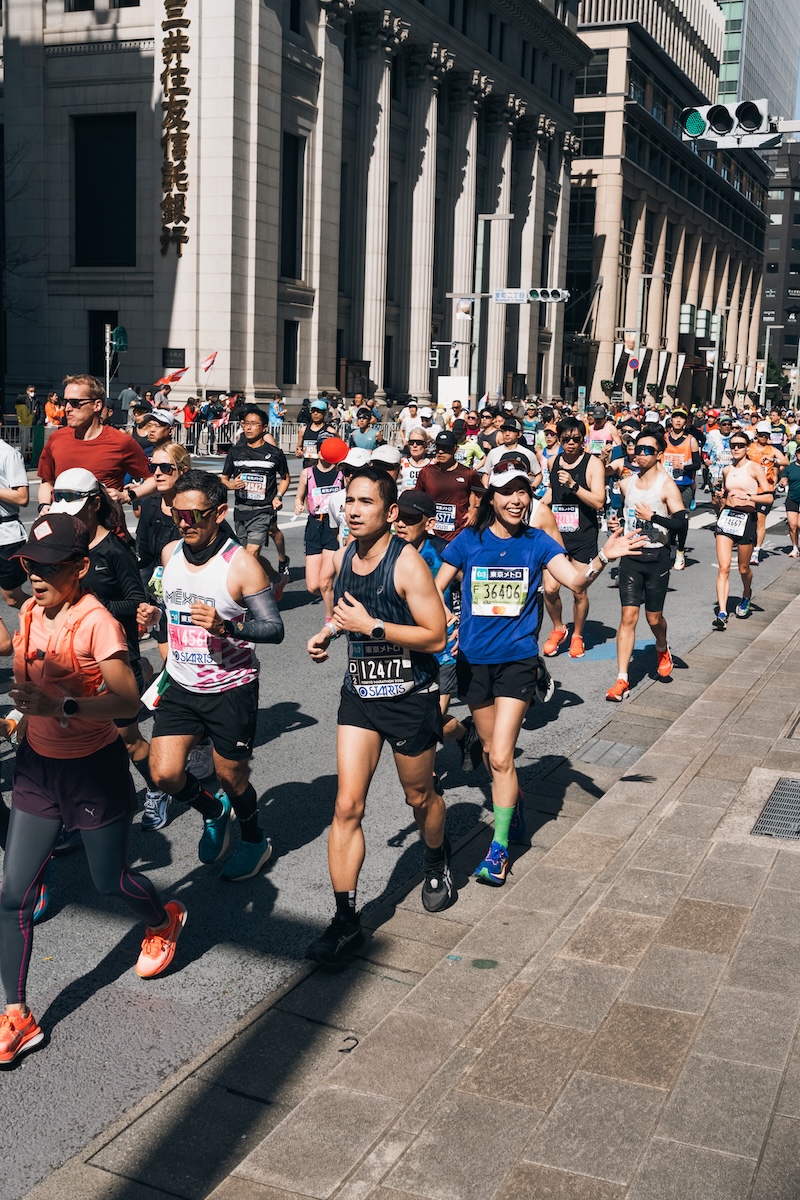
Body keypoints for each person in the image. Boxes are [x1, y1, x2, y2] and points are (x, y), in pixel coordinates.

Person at [0, 514, 187, 1064]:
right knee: (12, 895)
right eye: (31, 565)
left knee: (109, 881)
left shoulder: (97, 622)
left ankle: (163, 919)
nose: (36, 575)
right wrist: (22, 718)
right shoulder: (31, 611)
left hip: (92, 768)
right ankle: (16, 1014)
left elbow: (129, 704)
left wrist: (62, 707)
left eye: (51, 567)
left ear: (79, 568)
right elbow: (33, 685)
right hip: (37, 769)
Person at [435, 463, 643, 886]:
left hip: (517, 663)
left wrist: (603, 556)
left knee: (499, 756)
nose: (516, 499)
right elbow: (434, 587)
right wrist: (446, 623)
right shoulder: (467, 542)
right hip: (473, 664)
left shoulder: (537, 543)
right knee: (496, 754)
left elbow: (576, 580)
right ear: (490, 497)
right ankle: (518, 802)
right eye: (507, 492)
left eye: (523, 492)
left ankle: (498, 851)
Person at [305, 467, 450, 967]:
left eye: (366, 502)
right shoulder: (347, 555)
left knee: (420, 795)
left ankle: (435, 858)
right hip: (361, 696)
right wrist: (329, 631)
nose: (353, 509)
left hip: (411, 697)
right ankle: (346, 920)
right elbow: (347, 610)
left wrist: (374, 626)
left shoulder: (406, 564)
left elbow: (436, 636)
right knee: (347, 806)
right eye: (349, 500)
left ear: (390, 513)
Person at [141, 470, 284, 881]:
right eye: (177, 513)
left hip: (230, 688)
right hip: (182, 684)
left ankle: (254, 840)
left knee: (231, 775)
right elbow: (168, 607)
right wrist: (153, 618)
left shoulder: (241, 566)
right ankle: (213, 809)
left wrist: (227, 627)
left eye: (194, 515)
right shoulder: (170, 554)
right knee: (164, 773)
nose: (183, 521)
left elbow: (274, 629)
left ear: (220, 512)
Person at [48, 470, 173, 832]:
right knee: (74, 742)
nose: (67, 514)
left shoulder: (115, 551)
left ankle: (157, 788)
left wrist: (90, 606)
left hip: (114, 658)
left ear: (96, 504)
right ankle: (76, 818)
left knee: (128, 739)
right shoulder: (64, 546)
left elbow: (138, 603)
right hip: (71, 661)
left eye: (74, 507)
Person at [394, 489, 483, 771]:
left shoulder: (445, 551)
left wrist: (463, 626)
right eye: (398, 516)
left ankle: (429, 779)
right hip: (405, 645)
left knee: (431, 720)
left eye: (410, 518)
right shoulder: (388, 550)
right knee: (413, 718)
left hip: (442, 648)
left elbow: (473, 590)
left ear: (429, 523)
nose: (400, 524)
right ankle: (465, 733)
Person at [605, 426, 688, 701]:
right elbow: (623, 514)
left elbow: (680, 522)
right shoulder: (627, 483)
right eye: (637, 449)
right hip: (631, 557)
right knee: (628, 617)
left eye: (647, 450)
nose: (640, 454)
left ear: (659, 455)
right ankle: (621, 679)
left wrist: (654, 517)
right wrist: (615, 522)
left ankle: (662, 647)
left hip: (656, 558)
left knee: (654, 618)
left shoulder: (666, 485)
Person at [37, 375, 156, 512]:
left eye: (75, 403)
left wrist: (127, 495)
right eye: (65, 402)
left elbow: (154, 478)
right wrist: (44, 505)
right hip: (65, 528)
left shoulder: (121, 442)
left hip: (108, 529)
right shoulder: (56, 439)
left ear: (97, 405)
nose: (67, 408)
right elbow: (46, 482)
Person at [542, 416, 605, 659]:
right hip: (556, 536)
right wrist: (534, 507)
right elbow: (552, 493)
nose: (570, 444)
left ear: (583, 441)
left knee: (579, 591)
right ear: (558, 439)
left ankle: (577, 634)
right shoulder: (552, 462)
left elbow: (599, 501)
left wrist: (574, 485)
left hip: (583, 536)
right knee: (549, 588)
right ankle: (559, 628)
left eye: (576, 440)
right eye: (565, 439)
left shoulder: (593, 464)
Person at [220, 404, 291, 582]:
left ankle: (249, 596)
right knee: (245, 555)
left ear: (264, 427)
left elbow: (285, 477)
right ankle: (276, 578)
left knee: (252, 553)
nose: (248, 427)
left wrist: (278, 496)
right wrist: (230, 485)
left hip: (263, 509)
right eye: (246, 424)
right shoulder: (235, 452)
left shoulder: (274, 453)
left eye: (253, 423)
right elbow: (223, 478)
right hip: (241, 509)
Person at [711, 433, 772, 629]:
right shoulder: (727, 470)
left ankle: (746, 594)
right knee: (724, 567)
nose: (736, 448)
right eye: (733, 445)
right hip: (727, 518)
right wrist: (720, 498)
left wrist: (749, 496)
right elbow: (725, 495)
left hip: (746, 518)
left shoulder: (753, 468)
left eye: (740, 445)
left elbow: (769, 497)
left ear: (747, 447)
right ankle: (722, 612)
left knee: (743, 568)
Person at [295, 437, 348, 619]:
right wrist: (298, 504)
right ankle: (336, 599)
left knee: (325, 581)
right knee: (313, 586)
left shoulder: (342, 474)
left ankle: (330, 619)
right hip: (314, 525)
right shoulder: (307, 473)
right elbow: (299, 496)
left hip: (332, 526)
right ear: (318, 452)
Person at [416, 431, 482, 542]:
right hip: (431, 533)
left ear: (455, 449)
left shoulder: (468, 474)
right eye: (438, 447)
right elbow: (418, 499)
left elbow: (481, 495)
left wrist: (475, 510)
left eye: (446, 448)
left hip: (458, 533)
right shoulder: (426, 472)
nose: (441, 452)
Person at [662, 408, 701, 570]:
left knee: (681, 519)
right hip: (666, 484)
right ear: (671, 420)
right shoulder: (664, 438)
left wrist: (684, 466)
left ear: (686, 422)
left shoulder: (691, 440)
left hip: (684, 484)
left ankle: (680, 551)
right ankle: (670, 546)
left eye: (681, 418)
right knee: (668, 519)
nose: (678, 420)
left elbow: (698, 464)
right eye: (675, 417)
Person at [747, 421, 788, 564]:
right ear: (756, 434)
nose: (763, 438)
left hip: (766, 490)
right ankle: (749, 544)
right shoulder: (750, 448)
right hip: (750, 488)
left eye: (766, 435)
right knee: (749, 519)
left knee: (760, 520)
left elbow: (786, 461)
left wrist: (773, 460)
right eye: (761, 435)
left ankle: (756, 551)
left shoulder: (772, 450)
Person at [0, 428, 30, 608]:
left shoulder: (8, 454)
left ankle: (55, 618)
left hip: (6, 537)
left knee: (12, 598)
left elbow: (22, 497)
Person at [481, 417, 541, 486]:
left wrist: (532, 488)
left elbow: (538, 475)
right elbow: (486, 474)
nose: (507, 434)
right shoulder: (493, 452)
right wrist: (486, 489)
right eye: (504, 431)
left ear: (519, 434)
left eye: (511, 430)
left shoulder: (528, 454)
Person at [296, 399, 329, 465]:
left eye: (318, 411)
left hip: (324, 467)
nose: (315, 414)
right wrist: (299, 453)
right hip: (308, 467)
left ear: (324, 413)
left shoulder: (330, 431)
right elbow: (298, 448)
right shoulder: (303, 430)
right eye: (313, 411)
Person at [781, 443, 800, 557]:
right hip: (792, 498)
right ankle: (795, 547)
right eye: (799, 452)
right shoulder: (790, 468)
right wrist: (782, 483)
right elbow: (783, 481)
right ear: (796, 453)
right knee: (792, 525)